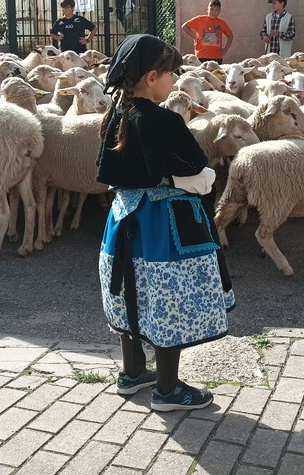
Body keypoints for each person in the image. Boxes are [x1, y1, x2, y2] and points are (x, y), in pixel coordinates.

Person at [96, 33, 234, 411]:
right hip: (163, 226)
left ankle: (133, 372)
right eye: (172, 75)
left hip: (124, 220)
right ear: (152, 77)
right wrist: (204, 180)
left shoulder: (115, 114)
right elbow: (193, 170)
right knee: (167, 295)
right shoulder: (162, 121)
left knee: (130, 290)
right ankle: (168, 390)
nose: (175, 81)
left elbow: (115, 171)